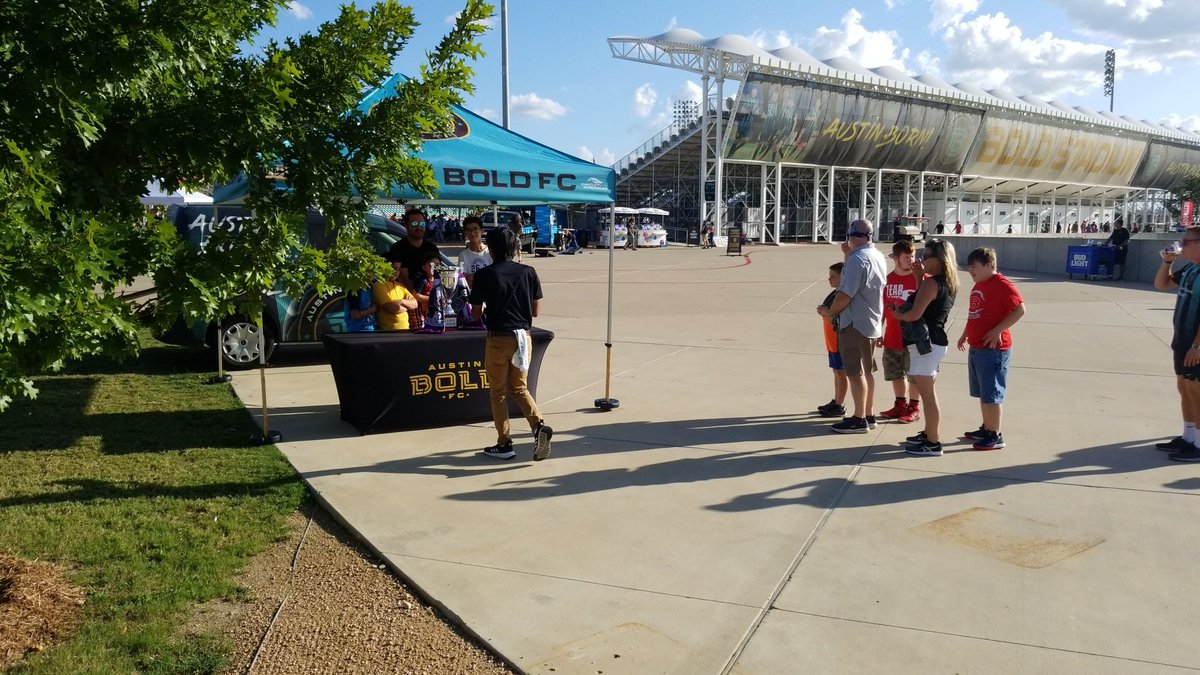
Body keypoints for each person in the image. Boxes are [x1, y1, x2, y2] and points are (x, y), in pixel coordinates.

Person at [469, 227, 554, 461]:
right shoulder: (529, 271)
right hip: (523, 337)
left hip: (498, 338)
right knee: (519, 388)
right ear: (515, 247)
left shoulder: (484, 275)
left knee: (498, 393)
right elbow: (536, 310)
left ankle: (504, 442)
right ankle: (538, 426)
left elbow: (476, 314)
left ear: (492, 249)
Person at [957, 247, 1026, 451]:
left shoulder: (1002, 285)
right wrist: (965, 334)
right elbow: (974, 313)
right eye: (969, 268)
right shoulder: (979, 285)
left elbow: (1020, 310)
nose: (971, 271)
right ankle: (987, 428)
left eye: (974, 267)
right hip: (977, 346)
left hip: (994, 349)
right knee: (983, 393)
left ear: (989, 265)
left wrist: (998, 330)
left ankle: (995, 435)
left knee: (992, 394)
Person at [893, 239, 958, 456]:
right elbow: (926, 303)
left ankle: (933, 442)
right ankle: (929, 433)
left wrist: (898, 315)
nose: (922, 259)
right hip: (935, 342)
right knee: (928, 392)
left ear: (938, 259)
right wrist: (920, 277)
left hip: (925, 344)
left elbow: (915, 313)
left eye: (926, 255)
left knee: (928, 396)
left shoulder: (933, 283)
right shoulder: (946, 283)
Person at [826, 219, 887, 433]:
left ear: (853, 237)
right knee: (867, 371)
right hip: (871, 321)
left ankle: (859, 418)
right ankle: (868, 414)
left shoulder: (857, 260)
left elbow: (845, 294)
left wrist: (830, 311)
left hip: (854, 323)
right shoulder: (877, 256)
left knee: (854, 372)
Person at [1154, 230, 1200, 462]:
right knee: (1185, 390)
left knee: (1197, 393)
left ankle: (1199, 445)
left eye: (1187, 242)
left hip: (1196, 345)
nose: (1181, 245)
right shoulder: (1192, 269)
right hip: (1182, 341)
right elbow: (1162, 284)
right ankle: (1189, 437)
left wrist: (1198, 346)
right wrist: (1167, 261)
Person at [879, 240, 921, 424]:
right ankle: (900, 404)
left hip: (912, 339)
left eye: (913, 256)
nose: (911, 260)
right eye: (907, 257)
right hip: (892, 337)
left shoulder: (920, 279)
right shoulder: (887, 280)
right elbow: (881, 309)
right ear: (896, 258)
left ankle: (914, 407)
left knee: (914, 376)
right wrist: (878, 331)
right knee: (895, 373)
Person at [387, 208, 441, 307]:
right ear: (406, 226)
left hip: (431, 299)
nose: (419, 227)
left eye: (422, 224)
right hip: (407, 300)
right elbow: (403, 278)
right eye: (414, 224)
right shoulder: (398, 248)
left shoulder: (432, 248)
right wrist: (418, 299)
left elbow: (438, 275)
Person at [816, 262, 849, 417]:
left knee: (840, 372)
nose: (829, 279)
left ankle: (840, 403)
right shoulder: (834, 294)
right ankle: (836, 400)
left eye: (832, 277)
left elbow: (836, 313)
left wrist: (826, 311)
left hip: (838, 340)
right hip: (831, 340)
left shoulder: (842, 295)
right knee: (836, 371)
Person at [371, 256, 418, 331]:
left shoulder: (400, 285)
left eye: (399, 269)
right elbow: (391, 308)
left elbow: (415, 304)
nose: (397, 272)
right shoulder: (379, 285)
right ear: (384, 268)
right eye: (394, 268)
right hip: (388, 332)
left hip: (405, 329)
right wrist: (407, 307)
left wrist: (402, 302)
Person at [458, 215, 492, 288]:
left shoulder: (491, 252)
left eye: (475, 229)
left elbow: (494, 276)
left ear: (482, 231)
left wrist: (473, 277)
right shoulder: (463, 255)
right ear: (465, 233)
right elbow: (463, 280)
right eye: (468, 230)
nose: (472, 233)